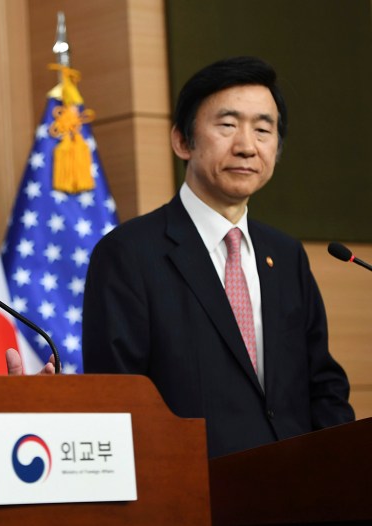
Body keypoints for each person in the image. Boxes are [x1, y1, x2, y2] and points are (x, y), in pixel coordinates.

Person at [82, 56, 355, 458]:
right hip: (192, 494)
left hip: (296, 490)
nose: (246, 146)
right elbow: (119, 397)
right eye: (227, 126)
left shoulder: (285, 255)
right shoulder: (128, 254)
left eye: (263, 129)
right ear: (182, 141)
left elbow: (322, 383)